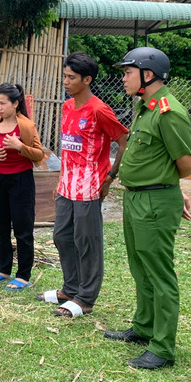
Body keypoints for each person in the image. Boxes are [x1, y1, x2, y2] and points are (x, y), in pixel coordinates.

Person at [104, 47, 191, 370]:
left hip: (156, 201)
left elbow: (186, 164)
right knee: (139, 267)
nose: (123, 77)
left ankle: (163, 347)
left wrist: (168, 186)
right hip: (137, 198)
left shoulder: (169, 112)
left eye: (128, 71)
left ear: (148, 74)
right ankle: (144, 327)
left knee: (159, 274)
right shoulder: (146, 108)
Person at [37, 52, 128, 318]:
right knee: (61, 236)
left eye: (71, 77)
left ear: (87, 79)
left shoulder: (100, 110)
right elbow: (68, 147)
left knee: (86, 241)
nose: (65, 81)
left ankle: (86, 299)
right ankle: (70, 288)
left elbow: (124, 139)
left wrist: (110, 176)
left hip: (90, 186)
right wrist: (60, 178)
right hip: (67, 184)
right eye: (64, 76)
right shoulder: (67, 106)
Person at [0, 83, 45, 290]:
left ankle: (23, 275)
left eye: (3, 103)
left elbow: (40, 155)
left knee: (23, 229)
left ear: (16, 104)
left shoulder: (26, 126)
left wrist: (20, 147)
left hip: (21, 181)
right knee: (0, 227)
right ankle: (3, 269)